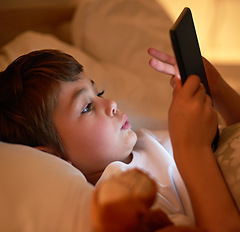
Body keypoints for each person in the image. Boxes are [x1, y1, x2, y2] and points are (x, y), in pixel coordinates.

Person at [0, 49, 239, 231]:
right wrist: (192, 148)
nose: (111, 103)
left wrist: (219, 90)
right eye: (87, 107)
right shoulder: (125, 202)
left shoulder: (146, 141)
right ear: (54, 156)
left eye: (99, 93)